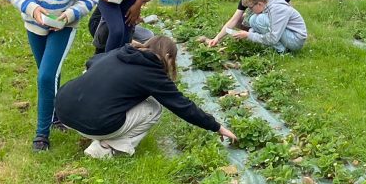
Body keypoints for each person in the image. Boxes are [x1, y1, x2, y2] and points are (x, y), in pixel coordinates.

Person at [5, 0, 99, 152]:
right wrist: (33, 10)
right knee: (50, 74)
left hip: (63, 28)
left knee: (45, 76)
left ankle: (41, 135)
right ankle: (57, 116)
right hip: (35, 26)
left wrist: (70, 14)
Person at [55, 35, 236, 160]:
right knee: (154, 108)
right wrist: (217, 127)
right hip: (95, 124)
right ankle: (106, 148)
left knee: (92, 75)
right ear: (167, 56)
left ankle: (94, 126)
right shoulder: (152, 71)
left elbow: (91, 62)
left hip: (64, 110)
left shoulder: (121, 52)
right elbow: (182, 106)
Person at [198, 0, 292, 47]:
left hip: (279, 23)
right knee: (243, 19)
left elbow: (289, 13)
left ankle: (272, 42)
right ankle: (257, 37)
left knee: (260, 19)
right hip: (263, 22)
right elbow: (234, 19)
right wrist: (217, 38)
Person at [230, 0, 307, 53]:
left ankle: (281, 51)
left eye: (251, 7)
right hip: (287, 35)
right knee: (253, 19)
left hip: (296, 40)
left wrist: (249, 35)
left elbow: (273, 38)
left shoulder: (276, 9)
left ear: (259, 4)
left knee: (260, 19)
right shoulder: (267, 5)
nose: (250, 10)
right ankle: (279, 48)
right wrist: (248, 33)